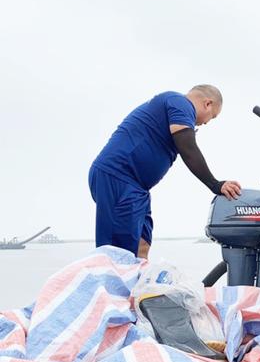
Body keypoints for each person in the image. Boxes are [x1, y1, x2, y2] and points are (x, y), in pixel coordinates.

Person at [89, 85, 242, 258]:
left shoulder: (178, 108)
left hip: (138, 187)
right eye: (212, 116)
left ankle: (139, 284)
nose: (206, 123)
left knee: (142, 245)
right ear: (208, 103)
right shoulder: (179, 103)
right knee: (118, 252)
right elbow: (188, 148)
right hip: (118, 176)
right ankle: (113, 284)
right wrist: (215, 184)